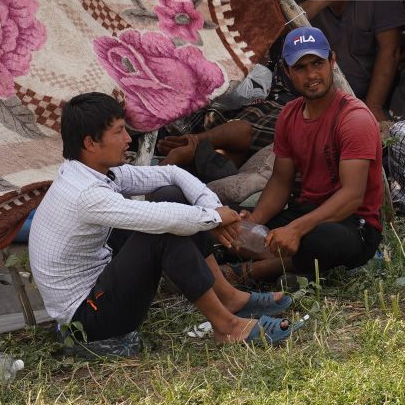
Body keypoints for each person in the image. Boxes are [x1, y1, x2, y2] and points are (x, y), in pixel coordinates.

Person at [31, 93, 298, 349]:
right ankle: (226, 326)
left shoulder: (91, 171)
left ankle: (228, 297)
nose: (127, 140)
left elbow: (171, 174)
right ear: (90, 143)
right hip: (87, 319)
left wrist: (212, 208)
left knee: (170, 195)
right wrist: (215, 217)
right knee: (163, 231)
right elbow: (160, 219)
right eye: (119, 132)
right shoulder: (86, 194)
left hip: (101, 281)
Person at [237, 28, 385, 283]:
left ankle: (254, 271)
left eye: (317, 63)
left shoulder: (354, 119)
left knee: (323, 241)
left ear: (332, 61)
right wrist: (253, 223)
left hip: (351, 223)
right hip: (305, 213)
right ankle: (292, 266)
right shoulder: (289, 115)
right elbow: (281, 181)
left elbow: (352, 196)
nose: (312, 75)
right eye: (301, 67)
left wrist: (295, 229)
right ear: (287, 71)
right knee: (225, 224)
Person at [286, 0, 405, 121]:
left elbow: (390, 50)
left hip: (360, 97)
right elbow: (282, 28)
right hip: (304, 98)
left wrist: (372, 107)